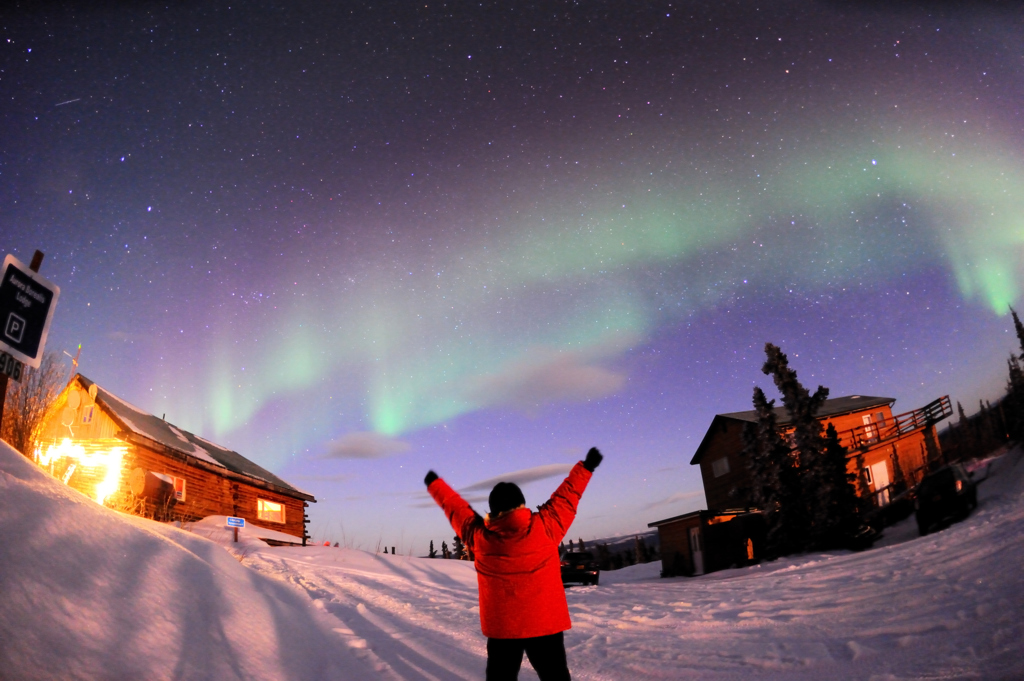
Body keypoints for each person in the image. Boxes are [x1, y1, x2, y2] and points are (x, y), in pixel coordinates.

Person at [424, 447, 603, 681]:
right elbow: (568, 496)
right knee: (555, 676)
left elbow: (457, 510)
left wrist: (434, 484)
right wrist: (586, 467)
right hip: (545, 625)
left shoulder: (481, 539)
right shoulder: (547, 526)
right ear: (522, 504)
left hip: (503, 631)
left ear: (493, 510)